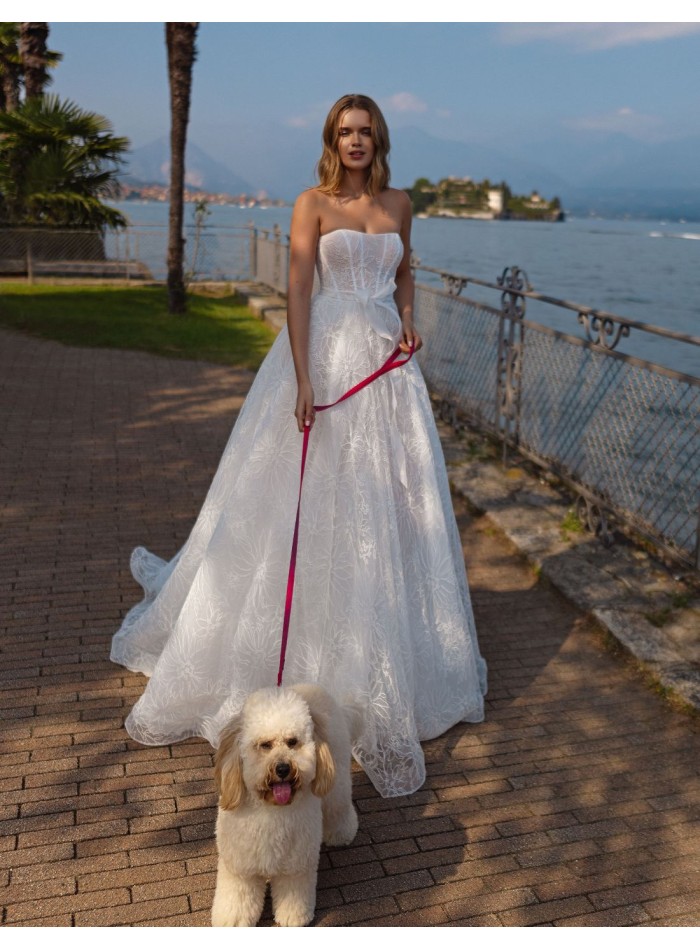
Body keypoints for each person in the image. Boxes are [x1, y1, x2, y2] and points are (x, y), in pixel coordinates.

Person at [111, 93, 487, 798]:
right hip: (326, 360)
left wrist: (408, 322)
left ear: (379, 140)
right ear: (331, 140)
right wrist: (305, 377)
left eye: (365, 132)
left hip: (387, 372)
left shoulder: (401, 204)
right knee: (303, 502)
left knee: (389, 505)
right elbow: (297, 289)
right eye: (344, 133)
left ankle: (384, 649)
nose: (355, 142)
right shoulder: (310, 203)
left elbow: (405, 273)